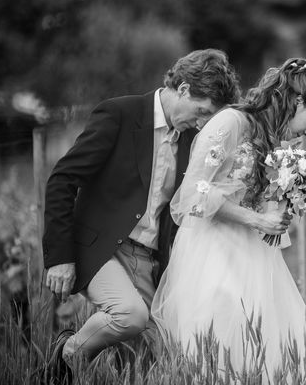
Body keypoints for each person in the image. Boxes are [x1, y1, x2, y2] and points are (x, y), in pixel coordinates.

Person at [42, 49, 267, 381]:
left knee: (161, 358)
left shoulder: (196, 138)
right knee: (130, 315)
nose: (204, 123)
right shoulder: (119, 113)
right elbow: (63, 180)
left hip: (151, 258)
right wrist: (59, 257)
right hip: (102, 249)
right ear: (184, 89)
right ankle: (67, 353)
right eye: (202, 112)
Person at [151, 58, 306, 380]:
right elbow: (195, 193)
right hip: (213, 247)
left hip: (254, 251)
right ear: (297, 100)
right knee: (223, 331)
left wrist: (284, 205)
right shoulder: (231, 122)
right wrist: (257, 220)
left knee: (271, 340)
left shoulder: (277, 139)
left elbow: (259, 195)